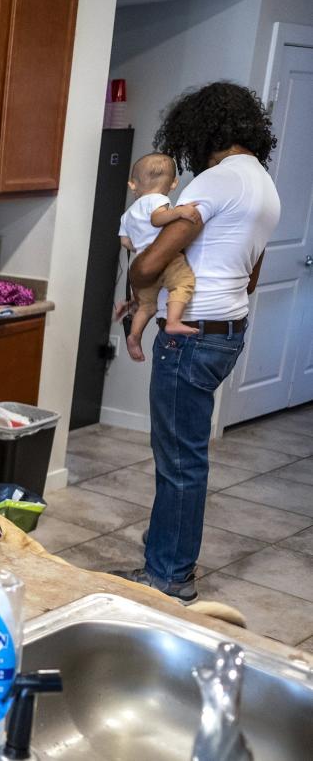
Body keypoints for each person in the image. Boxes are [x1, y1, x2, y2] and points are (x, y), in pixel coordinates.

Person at [111, 82, 280, 604]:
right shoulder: (262, 184)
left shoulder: (216, 180)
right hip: (227, 331)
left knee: (180, 461)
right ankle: (167, 546)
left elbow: (152, 260)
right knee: (185, 453)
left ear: (201, 130)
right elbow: (251, 276)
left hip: (190, 338)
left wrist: (139, 272)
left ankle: (169, 575)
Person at [117, 152, 202, 361]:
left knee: (147, 306)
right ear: (174, 183)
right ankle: (173, 321)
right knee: (183, 283)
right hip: (165, 258)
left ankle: (134, 336)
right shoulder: (159, 199)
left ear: (132, 185)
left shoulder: (127, 214)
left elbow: (125, 242)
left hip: (142, 262)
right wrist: (179, 213)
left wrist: (140, 243)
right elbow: (157, 219)